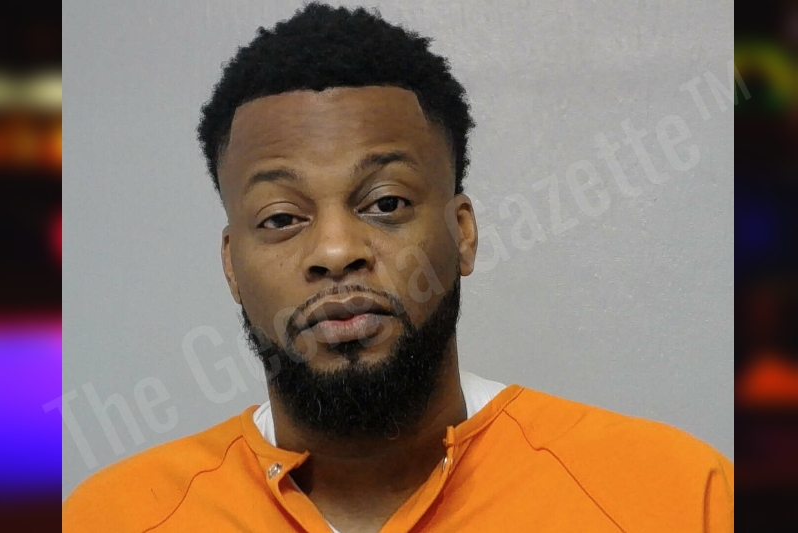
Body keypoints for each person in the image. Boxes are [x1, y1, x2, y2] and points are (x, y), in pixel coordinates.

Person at [63, 3, 733, 532]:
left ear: (462, 233)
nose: (335, 252)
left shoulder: (674, 496)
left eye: (385, 203)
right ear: (232, 266)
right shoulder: (111, 518)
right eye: (281, 217)